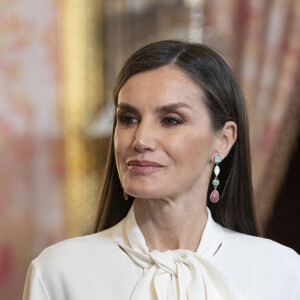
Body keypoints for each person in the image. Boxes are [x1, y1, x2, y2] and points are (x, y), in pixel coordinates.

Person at [23, 40, 300, 300]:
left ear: (223, 140)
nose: (140, 140)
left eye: (170, 120)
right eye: (128, 118)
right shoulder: (59, 272)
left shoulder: (282, 272)